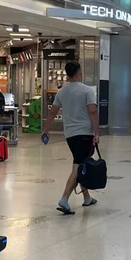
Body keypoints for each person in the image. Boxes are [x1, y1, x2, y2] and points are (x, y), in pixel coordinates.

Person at [43, 61, 99, 215]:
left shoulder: (62, 92)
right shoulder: (87, 91)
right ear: (80, 72)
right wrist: (97, 132)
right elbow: (93, 112)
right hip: (85, 134)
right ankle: (64, 199)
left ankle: (87, 198)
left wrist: (46, 130)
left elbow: (53, 112)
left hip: (70, 135)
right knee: (78, 166)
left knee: (79, 164)